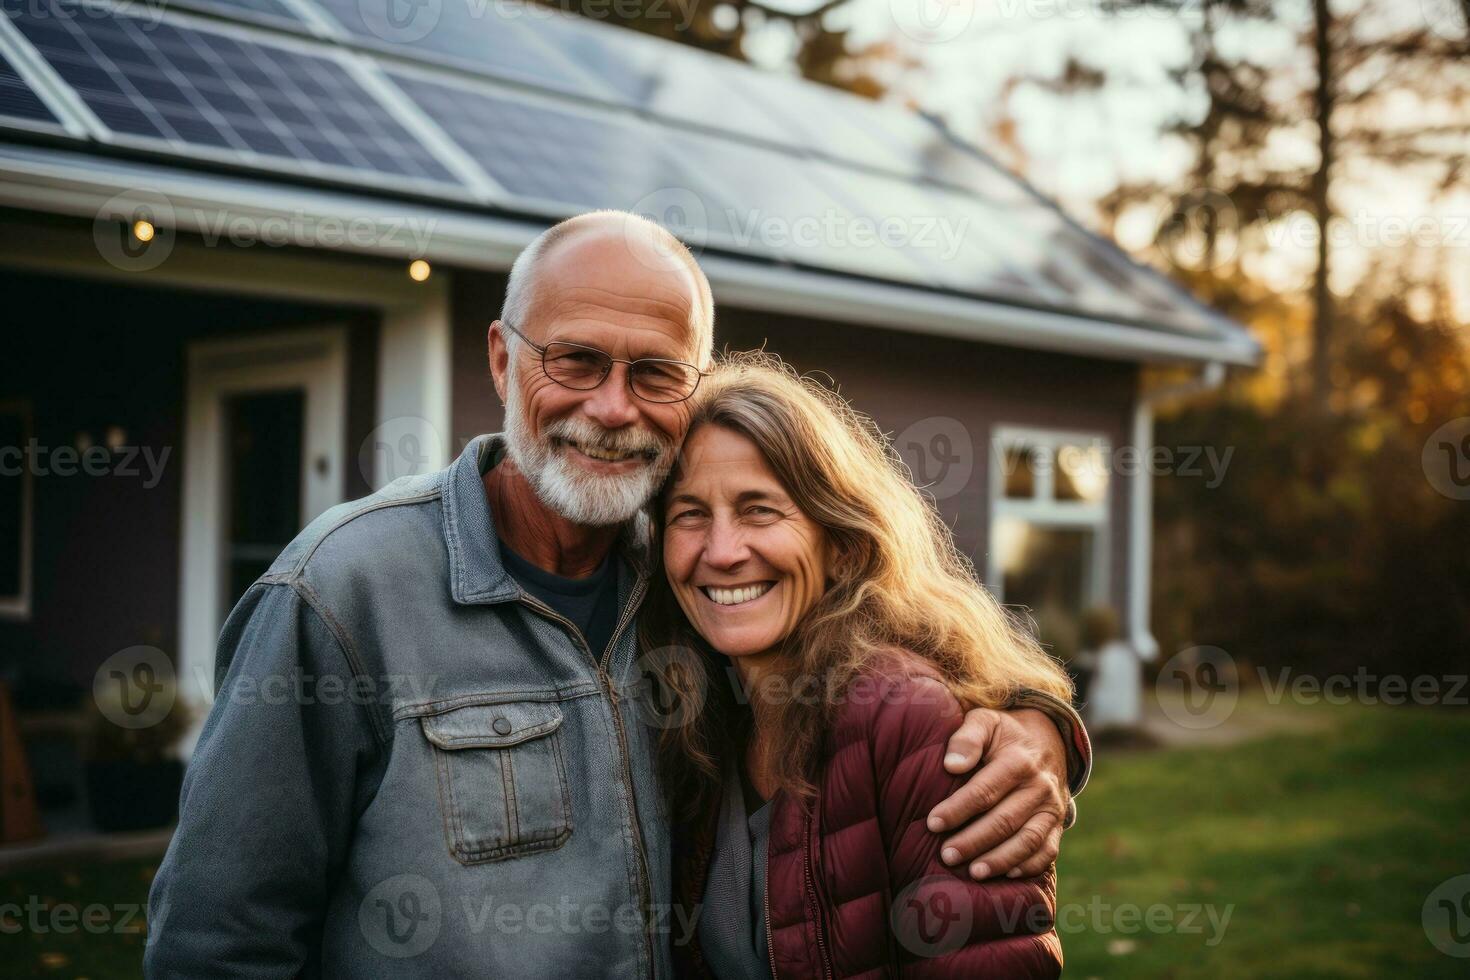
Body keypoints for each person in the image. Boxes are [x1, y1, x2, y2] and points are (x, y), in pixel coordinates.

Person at [145, 211, 1089, 977]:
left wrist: (1036, 722)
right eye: (577, 360)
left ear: (694, 386)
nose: (612, 407)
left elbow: (885, 630)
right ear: (502, 361)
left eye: (654, 373)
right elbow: (217, 943)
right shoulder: (342, 593)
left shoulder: (689, 577)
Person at [646, 354, 1069, 977]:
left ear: (841, 545)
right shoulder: (700, 716)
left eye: (761, 509)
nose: (723, 550)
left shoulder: (906, 718)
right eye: (690, 514)